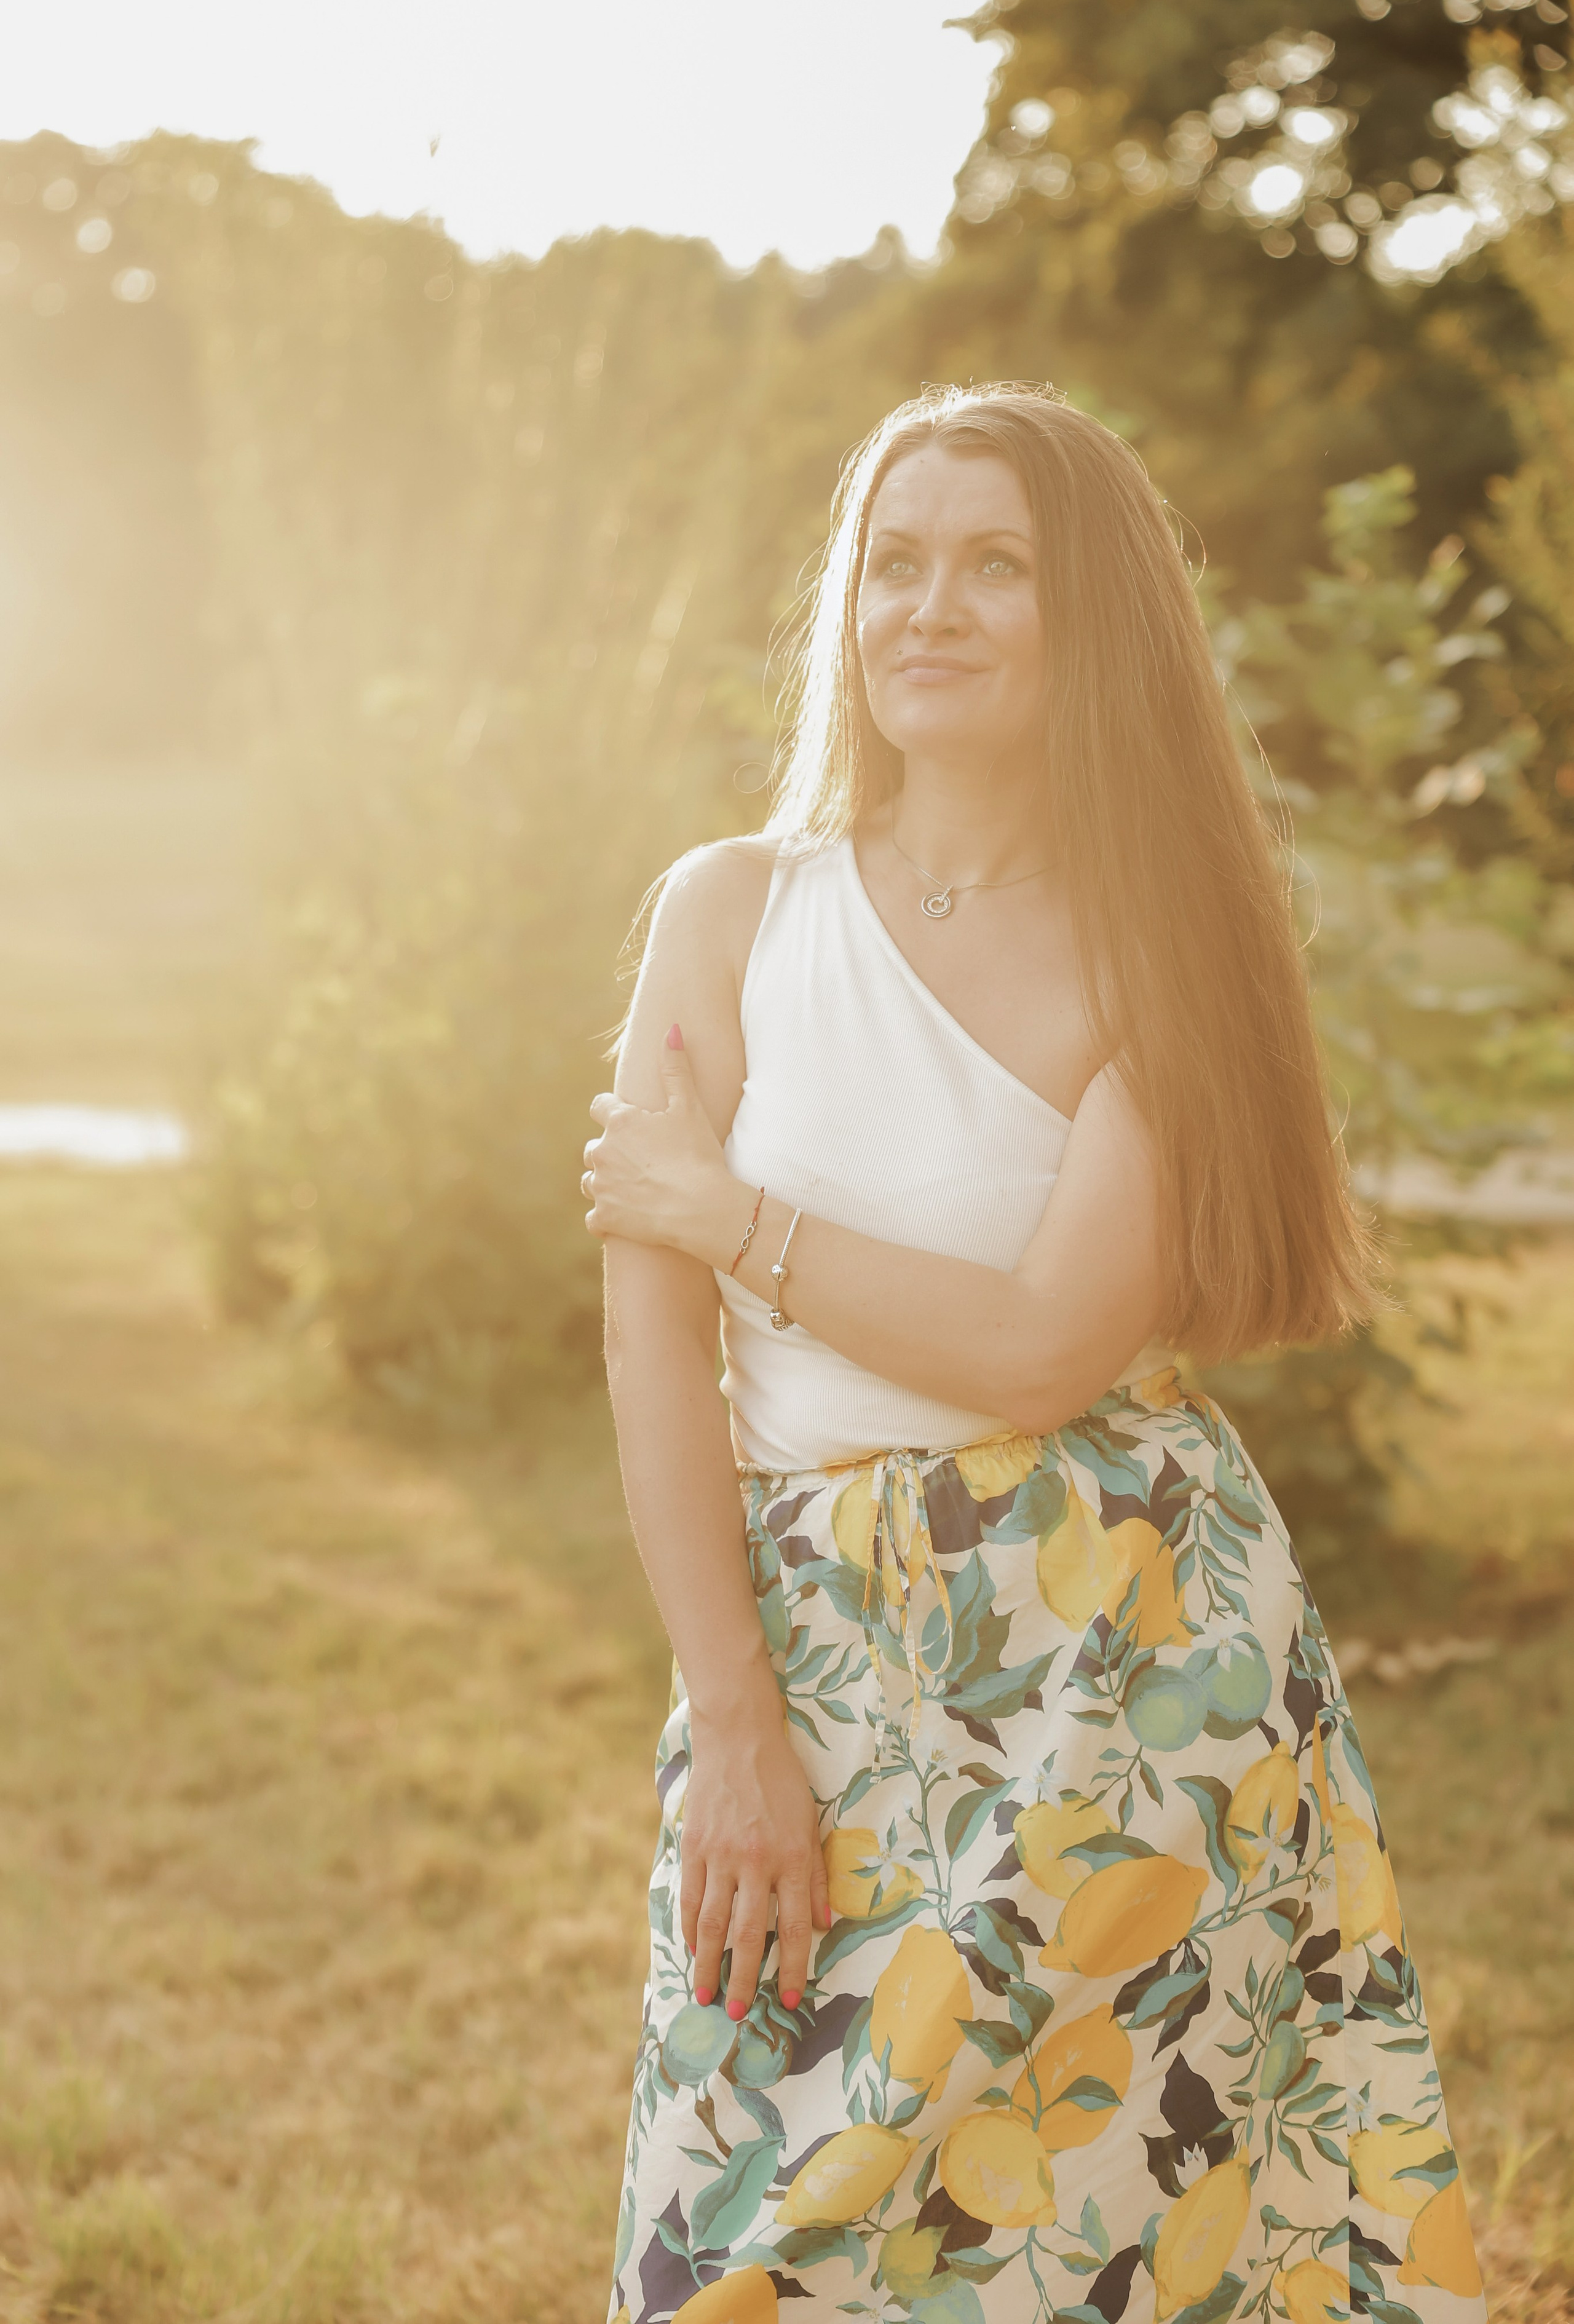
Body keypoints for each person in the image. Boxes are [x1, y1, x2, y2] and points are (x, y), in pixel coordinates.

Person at [581, 384, 1484, 2324]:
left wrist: (733, 1217)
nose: (933, 606)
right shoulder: (729, 913)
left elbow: (1037, 1349)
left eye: (998, 566)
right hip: (809, 1651)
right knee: (754, 2229)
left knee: (1115, 2249)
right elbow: (653, 1353)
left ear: (1095, 619)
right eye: (897, 562)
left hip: (1129, 1675)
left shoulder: (1162, 945)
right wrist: (732, 1717)